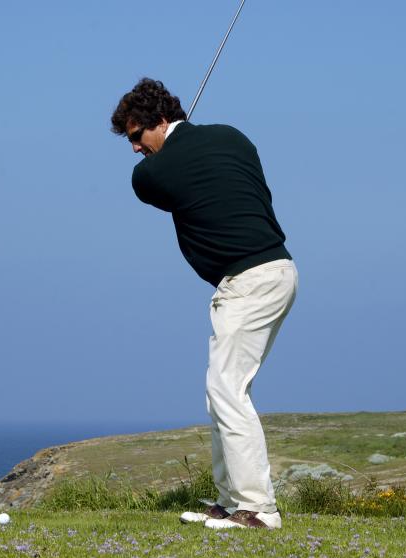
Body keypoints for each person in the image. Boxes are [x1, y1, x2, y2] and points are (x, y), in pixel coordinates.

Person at [111, 78, 298, 530]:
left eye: (137, 136)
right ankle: (230, 501)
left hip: (247, 281)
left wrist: (173, 150)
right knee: (222, 391)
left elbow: (146, 180)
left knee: (226, 391)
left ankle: (258, 510)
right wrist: (183, 141)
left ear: (159, 121)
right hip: (277, 273)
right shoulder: (233, 135)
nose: (135, 149)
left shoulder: (151, 174)